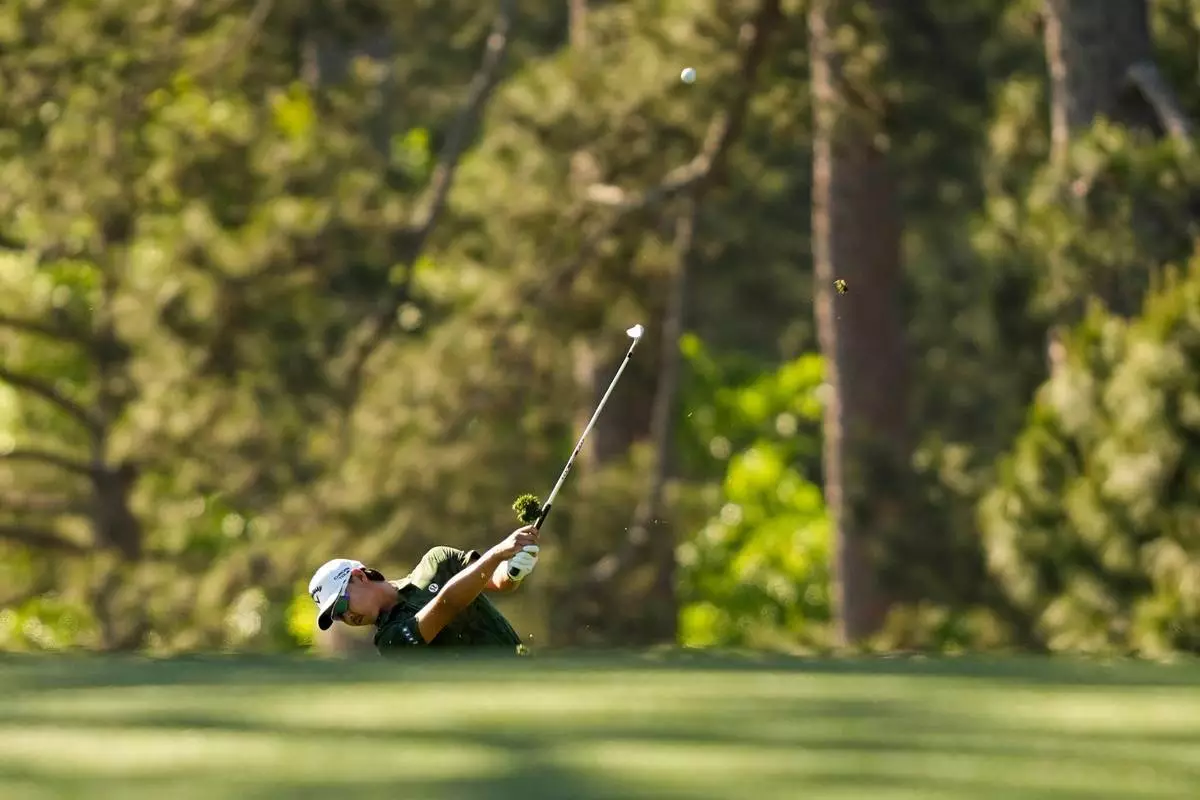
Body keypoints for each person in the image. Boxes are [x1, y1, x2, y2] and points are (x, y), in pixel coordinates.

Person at [307, 525, 540, 655]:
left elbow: (496, 580)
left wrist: (513, 570)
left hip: (526, 678)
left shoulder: (437, 562)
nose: (346, 616)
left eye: (341, 604)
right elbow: (446, 606)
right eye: (337, 617)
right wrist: (496, 554)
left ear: (359, 576)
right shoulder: (390, 641)